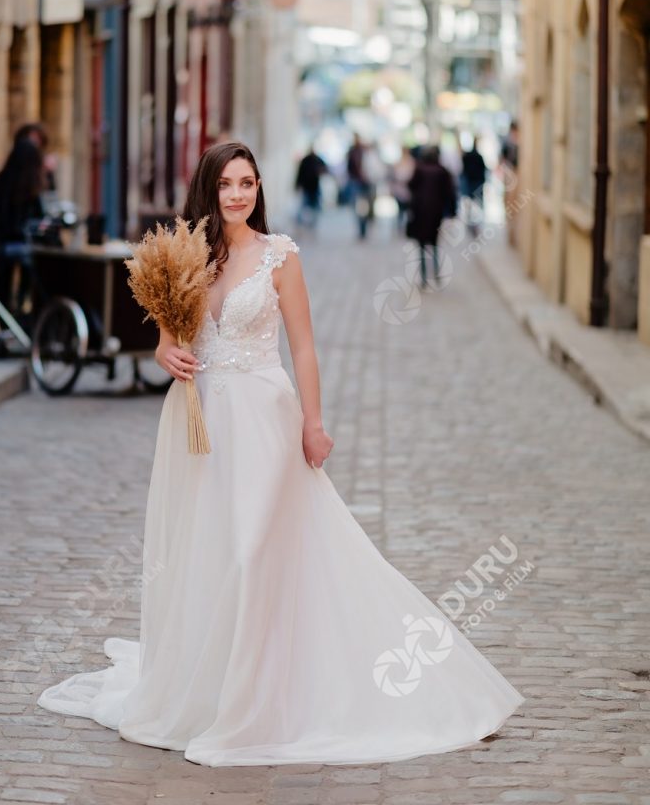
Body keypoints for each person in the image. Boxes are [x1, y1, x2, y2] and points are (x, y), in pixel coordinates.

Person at [36, 140, 524, 766]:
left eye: (248, 182)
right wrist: (167, 353)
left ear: (260, 188)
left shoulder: (280, 257)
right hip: (199, 424)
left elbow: (305, 348)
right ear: (208, 191)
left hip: (265, 418)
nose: (238, 194)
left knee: (252, 551)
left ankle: (255, 707)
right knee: (206, 552)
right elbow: (165, 338)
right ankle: (208, 691)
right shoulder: (184, 258)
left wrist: (314, 423)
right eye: (226, 184)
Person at [0, 138, 46, 313]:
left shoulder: (0, 180)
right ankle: (23, 313)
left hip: (2, 243)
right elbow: (39, 217)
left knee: (2, 288)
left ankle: (4, 321)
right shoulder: (33, 184)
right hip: (24, 245)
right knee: (29, 286)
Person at [407, 144, 457, 288]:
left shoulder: (420, 169)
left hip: (420, 213)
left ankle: (423, 278)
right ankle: (436, 273)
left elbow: (411, 186)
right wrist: (452, 212)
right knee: (434, 244)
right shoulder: (442, 171)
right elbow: (450, 193)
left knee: (422, 246)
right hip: (436, 213)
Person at [346, 132, 375, 239]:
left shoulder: (363, 151)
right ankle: (361, 228)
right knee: (359, 207)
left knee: (364, 207)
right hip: (357, 182)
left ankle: (364, 226)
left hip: (364, 183)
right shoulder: (353, 151)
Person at [294, 144, 328, 229]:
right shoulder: (306, 160)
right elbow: (300, 173)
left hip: (315, 187)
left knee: (315, 206)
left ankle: (312, 224)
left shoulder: (317, 159)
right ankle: (300, 222)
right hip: (307, 187)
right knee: (304, 206)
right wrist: (297, 184)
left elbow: (325, 168)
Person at [461, 136, 487, 236]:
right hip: (477, 183)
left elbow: (463, 169)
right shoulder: (479, 156)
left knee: (470, 204)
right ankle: (474, 224)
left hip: (470, 182)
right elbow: (483, 170)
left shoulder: (467, 156)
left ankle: (470, 223)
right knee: (477, 204)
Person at [500, 120, 520, 246]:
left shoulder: (513, 143)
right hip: (510, 175)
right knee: (509, 203)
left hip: (513, 175)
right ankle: (510, 231)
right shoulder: (509, 143)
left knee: (512, 204)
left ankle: (512, 231)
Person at [388, 145, 416, 235]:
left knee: (409, 210)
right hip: (399, 189)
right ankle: (400, 226)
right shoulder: (398, 162)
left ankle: (408, 227)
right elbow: (393, 176)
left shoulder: (412, 162)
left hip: (408, 189)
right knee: (400, 209)